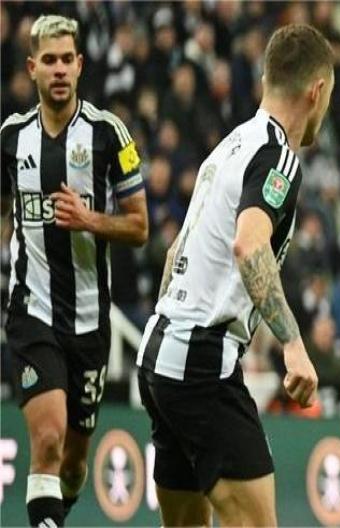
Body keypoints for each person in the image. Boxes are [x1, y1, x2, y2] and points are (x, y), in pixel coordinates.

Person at [134, 24, 333, 526]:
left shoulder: (231, 145)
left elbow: (176, 250)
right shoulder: (277, 156)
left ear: (266, 77)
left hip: (161, 350)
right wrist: (293, 345)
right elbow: (249, 244)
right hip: (201, 362)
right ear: (318, 90)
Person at [1, 14, 148, 527]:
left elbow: (140, 227)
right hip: (31, 310)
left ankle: (53, 516)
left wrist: (89, 219)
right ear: (32, 68)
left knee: (72, 463)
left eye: (67, 59)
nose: (59, 69)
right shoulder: (11, 138)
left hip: (89, 320)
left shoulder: (110, 134)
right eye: (49, 60)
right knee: (47, 437)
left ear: (80, 65)